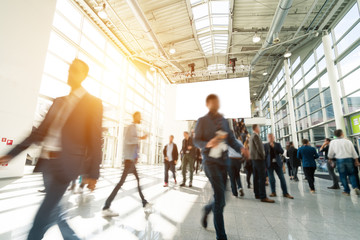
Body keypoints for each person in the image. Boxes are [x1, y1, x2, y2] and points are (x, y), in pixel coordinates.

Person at [0, 59, 103, 240]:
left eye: (75, 71)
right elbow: (38, 133)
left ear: (84, 75)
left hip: (67, 165)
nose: (70, 73)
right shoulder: (58, 102)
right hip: (47, 163)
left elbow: (94, 140)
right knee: (54, 209)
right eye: (70, 69)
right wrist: (11, 154)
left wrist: (93, 173)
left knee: (43, 214)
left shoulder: (92, 103)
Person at [194, 94, 249, 240]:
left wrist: (241, 148)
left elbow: (231, 139)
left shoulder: (224, 121)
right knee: (220, 199)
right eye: (213, 102)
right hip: (210, 163)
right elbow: (196, 140)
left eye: (217, 102)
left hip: (224, 163)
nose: (216, 104)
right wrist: (207, 144)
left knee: (222, 199)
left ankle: (207, 209)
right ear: (207, 104)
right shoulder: (202, 121)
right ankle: (221, 236)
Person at [102, 112, 150, 217]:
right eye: (139, 116)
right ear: (135, 117)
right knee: (121, 183)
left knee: (137, 181)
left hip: (131, 161)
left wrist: (136, 156)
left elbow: (133, 144)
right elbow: (128, 141)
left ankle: (144, 203)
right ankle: (106, 206)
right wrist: (141, 138)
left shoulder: (134, 127)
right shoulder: (130, 127)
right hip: (128, 161)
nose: (140, 118)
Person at [328, 129, 360, 196]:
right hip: (349, 159)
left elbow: (330, 153)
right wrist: (356, 161)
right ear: (342, 134)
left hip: (340, 160)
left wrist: (330, 159)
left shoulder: (333, 142)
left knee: (343, 176)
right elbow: (354, 152)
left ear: (335, 135)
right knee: (352, 174)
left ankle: (347, 191)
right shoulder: (348, 141)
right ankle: (355, 187)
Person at [249, 124, 274, 203]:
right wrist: (263, 156)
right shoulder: (256, 136)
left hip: (254, 159)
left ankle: (257, 194)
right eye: (259, 127)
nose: (259, 129)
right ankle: (263, 196)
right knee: (262, 177)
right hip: (259, 159)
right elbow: (259, 148)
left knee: (256, 177)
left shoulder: (251, 137)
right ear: (256, 128)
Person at [264, 134, 294, 199]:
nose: (271, 138)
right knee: (271, 179)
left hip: (277, 164)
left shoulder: (277, 144)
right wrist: (265, 164)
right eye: (269, 137)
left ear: (274, 137)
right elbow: (264, 155)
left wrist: (274, 147)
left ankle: (285, 193)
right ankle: (273, 192)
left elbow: (282, 151)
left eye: (272, 137)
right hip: (269, 164)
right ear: (268, 138)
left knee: (282, 178)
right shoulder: (265, 145)